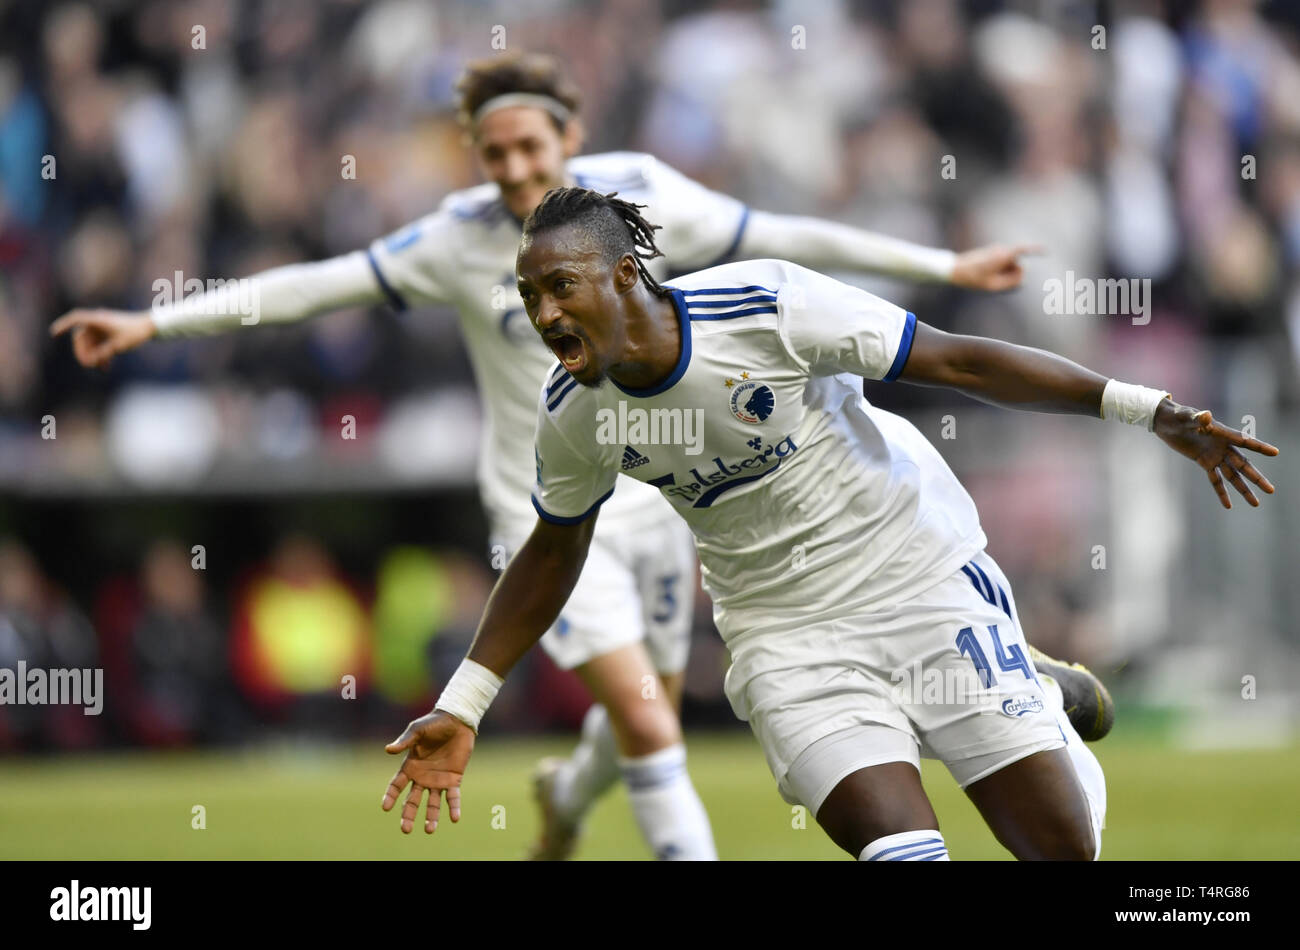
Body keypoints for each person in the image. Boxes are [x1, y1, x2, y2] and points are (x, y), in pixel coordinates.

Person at [53, 52, 1073, 861]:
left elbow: (783, 233)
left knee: (647, 714)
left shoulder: (637, 197)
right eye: (488, 153)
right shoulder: (449, 239)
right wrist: (156, 324)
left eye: (526, 146)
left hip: (673, 502)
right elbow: (309, 287)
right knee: (647, 721)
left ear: (568, 138)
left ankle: (568, 792)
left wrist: (943, 265)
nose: (508, 169)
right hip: (549, 510)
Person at [379, 188, 1277, 860]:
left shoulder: (765, 306)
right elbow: (555, 545)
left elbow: (959, 361)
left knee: (1062, 852)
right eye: (531, 297)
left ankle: (1034, 695)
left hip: (913, 573)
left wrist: (1142, 408)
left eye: (561, 287)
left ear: (624, 274)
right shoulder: (575, 409)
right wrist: (463, 705)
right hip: (785, 636)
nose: (543, 315)